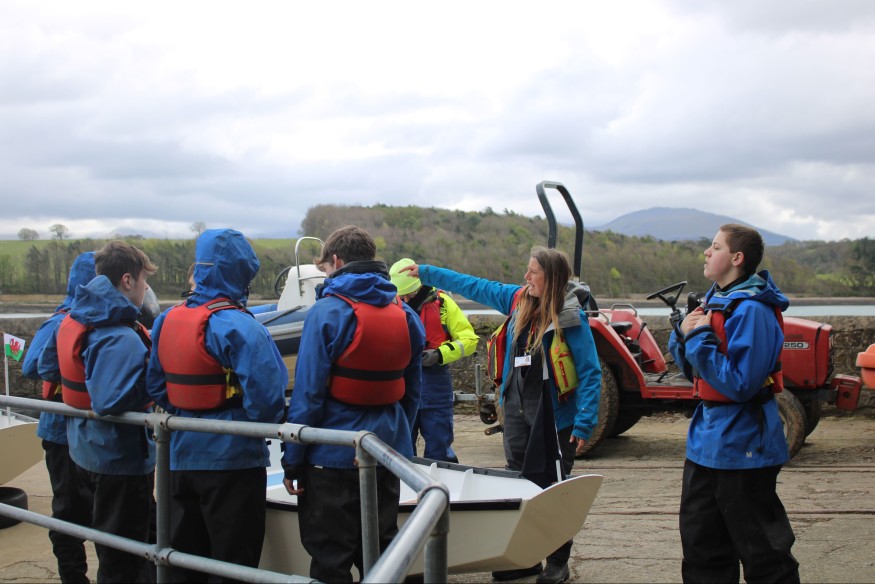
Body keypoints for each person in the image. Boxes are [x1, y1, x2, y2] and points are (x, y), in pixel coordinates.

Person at [400, 247, 602, 584]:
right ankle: (524, 559)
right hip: (517, 414)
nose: (526, 277)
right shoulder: (517, 299)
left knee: (553, 488)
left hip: (553, 420)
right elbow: (472, 285)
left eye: (533, 272)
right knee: (519, 486)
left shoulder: (570, 317)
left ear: (551, 278)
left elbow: (591, 372)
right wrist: (426, 272)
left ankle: (558, 561)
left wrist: (584, 423)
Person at [281, 225, 425, 583]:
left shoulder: (326, 312)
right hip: (385, 453)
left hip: (331, 456)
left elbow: (308, 395)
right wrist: (397, 441)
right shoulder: (405, 314)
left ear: (337, 260)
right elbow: (412, 391)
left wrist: (293, 459)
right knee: (381, 549)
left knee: (330, 556)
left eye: (326, 267)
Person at [146, 228, 288, 582]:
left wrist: (188, 409)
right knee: (233, 561)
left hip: (179, 456)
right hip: (233, 460)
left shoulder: (166, 320)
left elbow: (156, 385)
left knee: (183, 560)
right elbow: (268, 402)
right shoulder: (241, 327)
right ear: (242, 272)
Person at [668, 224, 800, 583]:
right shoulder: (713, 302)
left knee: (763, 553)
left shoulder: (753, 310)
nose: (707, 252)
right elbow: (695, 371)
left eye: (715, 247)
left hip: (744, 446)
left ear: (737, 258)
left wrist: (698, 336)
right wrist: (682, 335)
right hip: (705, 445)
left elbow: (741, 384)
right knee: (702, 549)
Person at [40, 240, 158, 583]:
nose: (145, 288)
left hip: (84, 450)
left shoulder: (72, 321)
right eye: (143, 280)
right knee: (123, 559)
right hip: (119, 460)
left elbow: (47, 366)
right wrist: (155, 376)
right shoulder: (119, 336)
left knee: (116, 543)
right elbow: (109, 401)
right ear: (127, 280)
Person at [22, 251, 96, 583]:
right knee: (68, 512)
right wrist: (70, 362)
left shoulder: (105, 321)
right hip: (61, 433)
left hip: (93, 433)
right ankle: (73, 577)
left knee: (107, 513)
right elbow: (31, 365)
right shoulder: (60, 322)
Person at [389, 257, 479, 463]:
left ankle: (441, 482)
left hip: (435, 384)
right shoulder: (388, 306)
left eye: (409, 294)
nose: (405, 300)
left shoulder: (444, 304)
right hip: (401, 385)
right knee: (401, 451)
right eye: (401, 296)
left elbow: (469, 340)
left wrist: (439, 354)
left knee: (440, 449)